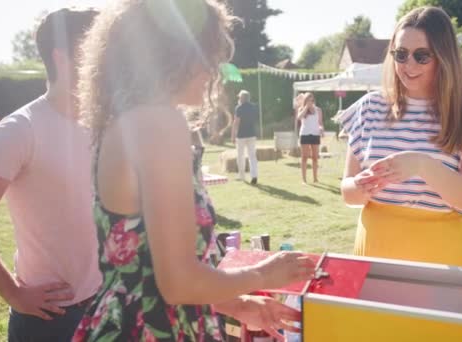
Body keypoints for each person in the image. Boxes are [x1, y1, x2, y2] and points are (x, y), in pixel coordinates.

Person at [72, 1, 314, 341]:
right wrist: (261, 275)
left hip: (120, 324)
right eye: (208, 53)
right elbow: (178, 284)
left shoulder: (126, 122)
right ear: (172, 53)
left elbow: (150, 274)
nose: (213, 68)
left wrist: (238, 305)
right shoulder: (160, 123)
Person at [338, 6, 462, 268]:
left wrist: (421, 165)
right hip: (375, 253)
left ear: (444, 57)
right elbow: (347, 191)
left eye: (421, 56)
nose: (408, 65)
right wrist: (361, 186)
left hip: (445, 258)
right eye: (400, 54)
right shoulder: (369, 107)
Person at [0, 8, 101, 341]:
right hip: (49, 320)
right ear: (62, 58)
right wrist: (12, 293)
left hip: (105, 307)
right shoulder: (20, 130)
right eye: (99, 49)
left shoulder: (104, 124)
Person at [231, 90, 259, 184]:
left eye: (239, 97)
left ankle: (242, 176)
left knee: (240, 156)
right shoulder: (254, 107)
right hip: (252, 134)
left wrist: (233, 135)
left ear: (242, 98)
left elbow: (236, 122)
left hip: (241, 135)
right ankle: (254, 175)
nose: (238, 99)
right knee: (252, 156)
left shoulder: (239, 108)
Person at [296, 92, 324, 184]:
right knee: (304, 157)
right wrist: (306, 107)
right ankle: (304, 180)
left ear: (313, 100)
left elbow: (320, 123)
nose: (310, 102)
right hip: (305, 134)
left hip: (315, 135)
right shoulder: (301, 109)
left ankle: (315, 178)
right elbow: (299, 118)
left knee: (315, 157)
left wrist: (321, 129)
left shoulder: (318, 110)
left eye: (312, 100)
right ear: (305, 101)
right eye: (308, 100)